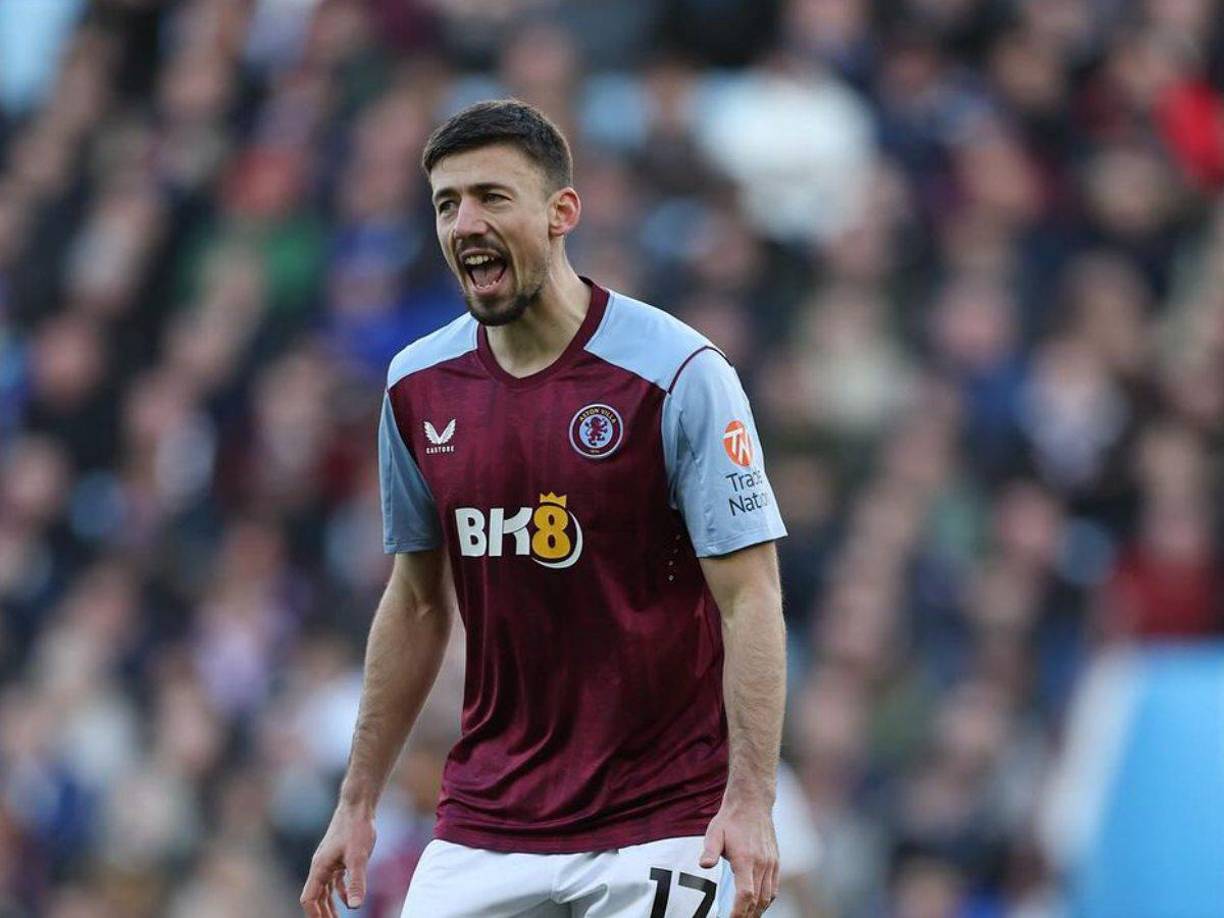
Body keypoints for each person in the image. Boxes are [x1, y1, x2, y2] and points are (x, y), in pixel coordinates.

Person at [299, 99, 788, 918]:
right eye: (447, 204)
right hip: (488, 822)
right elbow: (417, 600)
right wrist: (356, 801)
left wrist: (752, 800)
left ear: (563, 213)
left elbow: (750, 595)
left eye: (492, 197)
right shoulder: (416, 387)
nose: (464, 223)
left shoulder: (678, 372)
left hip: (664, 821)